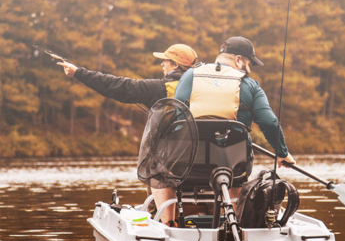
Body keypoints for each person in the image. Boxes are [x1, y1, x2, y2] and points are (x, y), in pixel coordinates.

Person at [58, 44, 198, 226]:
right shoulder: (205, 90)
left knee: (158, 171)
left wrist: (79, 73)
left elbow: (117, 86)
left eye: (165, 61)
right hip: (200, 164)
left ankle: (165, 224)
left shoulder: (161, 88)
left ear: (176, 65)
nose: (162, 65)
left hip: (168, 165)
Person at [160, 36, 296, 216]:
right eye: (250, 64)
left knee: (162, 171)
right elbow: (270, 123)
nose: (249, 69)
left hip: (186, 166)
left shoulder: (189, 76)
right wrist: (282, 152)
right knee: (236, 174)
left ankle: (170, 223)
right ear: (239, 60)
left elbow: (178, 117)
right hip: (233, 169)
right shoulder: (250, 85)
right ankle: (237, 220)